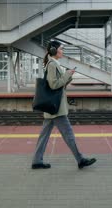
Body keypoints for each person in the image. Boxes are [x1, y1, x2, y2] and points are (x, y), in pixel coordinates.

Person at [31, 40, 97, 170]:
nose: (63, 51)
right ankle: (80, 159)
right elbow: (54, 85)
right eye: (61, 49)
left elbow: (59, 85)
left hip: (53, 107)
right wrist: (67, 74)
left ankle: (36, 161)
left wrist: (68, 75)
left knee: (44, 135)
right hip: (56, 109)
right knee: (69, 134)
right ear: (54, 51)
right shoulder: (52, 64)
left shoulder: (54, 63)